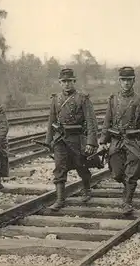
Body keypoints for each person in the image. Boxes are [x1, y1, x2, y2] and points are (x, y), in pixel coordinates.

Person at [98, 66, 140, 214]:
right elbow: (107, 122)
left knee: (132, 172)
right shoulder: (113, 100)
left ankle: (127, 202)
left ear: (133, 81)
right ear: (119, 81)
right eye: (123, 80)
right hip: (116, 141)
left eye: (129, 80)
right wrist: (103, 141)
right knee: (116, 173)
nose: (126, 83)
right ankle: (128, 187)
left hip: (134, 141)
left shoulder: (139, 100)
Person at [45, 68, 99, 211]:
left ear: (74, 82)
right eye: (64, 82)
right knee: (59, 168)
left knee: (81, 166)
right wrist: (48, 141)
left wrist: (91, 142)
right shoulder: (56, 99)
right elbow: (51, 121)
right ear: (60, 83)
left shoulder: (82, 98)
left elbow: (91, 121)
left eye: (69, 81)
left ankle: (87, 189)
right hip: (60, 140)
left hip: (77, 139)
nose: (67, 84)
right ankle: (60, 199)